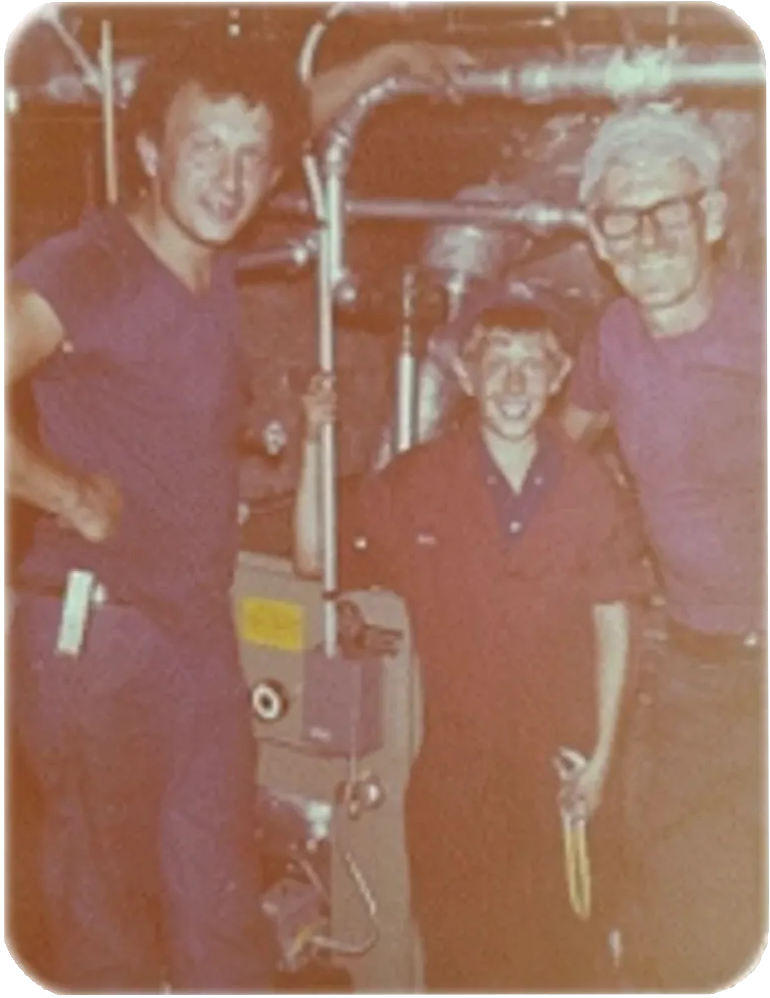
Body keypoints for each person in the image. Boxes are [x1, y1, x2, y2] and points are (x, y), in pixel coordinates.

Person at [5, 25, 475, 993]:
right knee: (108, 928)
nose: (229, 176)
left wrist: (385, 63)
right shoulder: (94, 264)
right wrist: (63, 491)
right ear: (148, 152)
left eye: (247, 158)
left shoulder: (208, 254)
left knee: (223, 914)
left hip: (194, 636)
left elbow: (292, 121)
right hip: (100, 644)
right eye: (202, 149)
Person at [294, 288, 651, 991]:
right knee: (463, 962)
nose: (514, 383)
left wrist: (604, 760)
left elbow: (617, 622)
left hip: (560, 776)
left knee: (566, 962)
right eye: (497, 363)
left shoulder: (590, 487)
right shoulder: (418, 481)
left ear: (557, 380)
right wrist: (312, 439)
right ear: (466, 374)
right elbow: (314, 557)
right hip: (457, 783)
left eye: (532, 365)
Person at [562, 102, 767, 990]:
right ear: (596, 241)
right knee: (685, 897)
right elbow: (556, 448)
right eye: (621, 217)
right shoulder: (612, 339)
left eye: (668, 211)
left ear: (713, 216)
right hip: (690, 662)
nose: (645, 235)